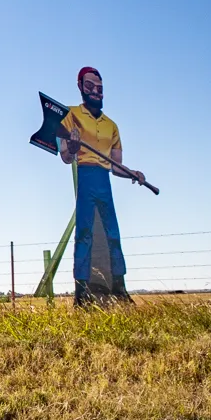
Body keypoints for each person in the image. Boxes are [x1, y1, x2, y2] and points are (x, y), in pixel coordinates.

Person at [59, 68, 146, 306]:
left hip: (104, 180)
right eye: (89, 87)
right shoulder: (71, 115)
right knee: (84, 234)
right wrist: (73, 147)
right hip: (86, 176)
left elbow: (115, 166)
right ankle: (81, 293)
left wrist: (132, 173)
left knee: (112, 234)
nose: (95, 92)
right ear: (80, 86)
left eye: (99, 88)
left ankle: (119, 287)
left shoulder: (112, 125)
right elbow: (66, 156)